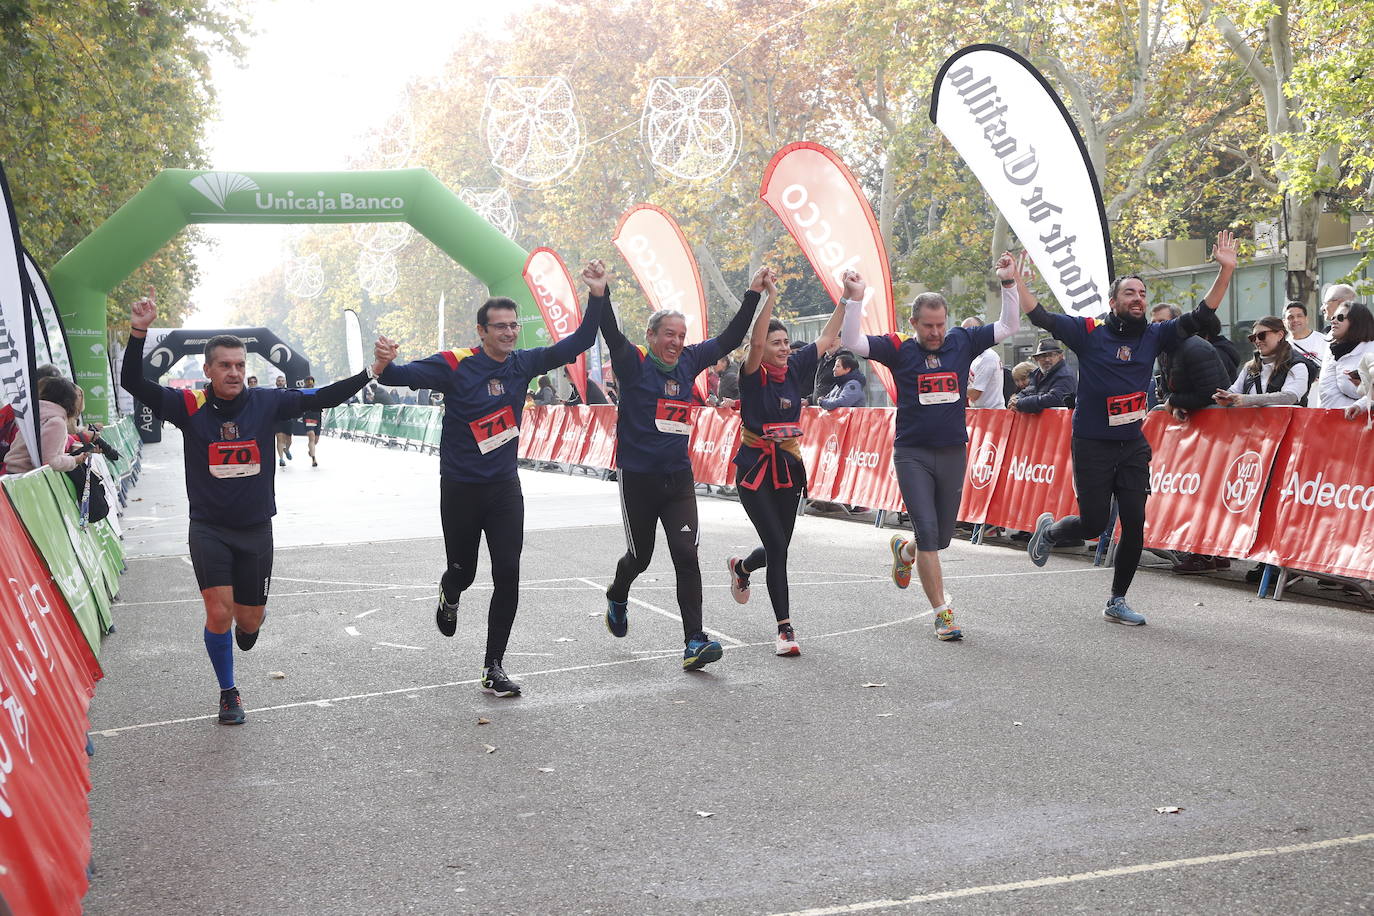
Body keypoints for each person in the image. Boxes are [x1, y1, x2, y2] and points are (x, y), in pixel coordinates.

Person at [120, 291, 390, 725]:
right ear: (207, 370)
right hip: (208, 528)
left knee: (248, 619)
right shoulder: (189, 406)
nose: (234, 372)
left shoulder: (266, 401)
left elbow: (323, 396)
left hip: (255, 529)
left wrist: (370, 372)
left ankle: (250, 628)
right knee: (217, 612)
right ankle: (229, 692)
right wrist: (139, 331)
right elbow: (134, 381)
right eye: (224, 365)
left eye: (240, 365)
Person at [373, 263, 606, 698]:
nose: (509, 332)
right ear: (481, 331)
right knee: (464, 570)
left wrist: (596, 296)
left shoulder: (523, 364)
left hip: (503, 490)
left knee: (509, 575)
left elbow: (579, 341)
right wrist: (383, 363)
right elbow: (395, 376)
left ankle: (493, 665)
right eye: (499, 327)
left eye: (514, 326)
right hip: (461, 488)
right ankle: (450, 589)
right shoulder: (455, 365)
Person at [1026, 231, 1238, 625]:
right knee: (1092, 523)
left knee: (1134, 524)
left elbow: (1201, 316)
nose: (1138, 298)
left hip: (1131, 444)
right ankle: (1052, 533)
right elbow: (1040, 315)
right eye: (1130, 294)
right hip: (1091, 442)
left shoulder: (1155, 335)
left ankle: (1116, 600)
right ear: (1114, 302)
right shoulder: (1089, 332)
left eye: (1142, 293)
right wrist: (1014, 283)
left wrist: (1225, 270)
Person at [842, 254, 1022, 641]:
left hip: (953, 450)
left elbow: (1010, 324)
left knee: (939, 537)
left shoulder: (963, 341)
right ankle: (943, 613)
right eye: (928, 326)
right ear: (914, 324)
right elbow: (851, 341)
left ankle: (904, 552)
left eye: (941, 325)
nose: (936, 333)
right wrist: (854, 299)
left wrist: (1009, 283)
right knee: (927, 530)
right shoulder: (899, 349)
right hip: (912, 453)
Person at [600, 266, 763, 670]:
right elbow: (610, 332)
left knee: (686, 555)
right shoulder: (634, 363)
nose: (675, 342)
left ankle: (694, 641)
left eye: (681, 336)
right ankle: (618, 594)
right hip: (637, 478)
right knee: (640, 557)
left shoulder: (690, 361)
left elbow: (730, 338)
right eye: (668, 335)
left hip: (678, 478)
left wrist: (752, 295)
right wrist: (600, 293)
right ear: (652, 336)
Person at [725, 275, 843, 656]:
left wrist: (847, 298)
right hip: (754, 468)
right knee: (777, 545)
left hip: (789, 467)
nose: (782, 348)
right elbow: (756, 341)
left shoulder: (796, 367)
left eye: (786, 343)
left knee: (779, 547)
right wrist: (769, 298)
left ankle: (743, 567)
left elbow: (826, 338)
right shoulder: (752, 375)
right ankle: (785, 630)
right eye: (776, 343)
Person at [1214, 317, 1315, 408]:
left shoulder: (1297, 364)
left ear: (1280, 335)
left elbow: (1290, 397)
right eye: (1253, 338)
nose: (1257, 341)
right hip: (1254, 426)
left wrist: (1248, 400)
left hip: (1289, 426)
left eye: (1262, 335)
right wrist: (1225, 397)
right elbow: (1235, 391)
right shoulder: (1250, 367)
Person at [1, 376, 88, 475]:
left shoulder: (35, 415)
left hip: (11, 473)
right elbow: (49, 462)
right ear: (70, 400)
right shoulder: (56, 422)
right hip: (27, 477)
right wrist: (74, 460)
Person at [1319, 302, 1374, 414]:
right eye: (1333, 317)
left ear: (1357, 322)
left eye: (1340, 318)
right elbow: (1328, 394)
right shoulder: (1335, 349)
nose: (1333, 321)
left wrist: (1360, 404)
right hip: (1337, 421)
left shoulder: (1371, 349)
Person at [1009, 339, 1075, 412]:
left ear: (1060, 357)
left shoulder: (1065, 374)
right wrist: (1015, 400)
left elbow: (1056, 399)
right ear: (1036, 359)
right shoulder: (1037, 374)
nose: (1047, 359)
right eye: (1043, 356)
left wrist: (1021, 403)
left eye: (1051, 355)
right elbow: (1027, 392)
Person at [961, 316, 1004, 408]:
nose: (966, 335)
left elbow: (975, 394)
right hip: (980, 413)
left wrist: (953, 388)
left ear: (980, 332)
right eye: (963, 332)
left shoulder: (987, 357)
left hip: (992, 415)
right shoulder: (974, 356)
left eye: (970, 331)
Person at [300, 375, 322, 467]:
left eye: (311, 381)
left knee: (316, 440)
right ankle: (314, 459)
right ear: (305, 383)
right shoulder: (302, 392)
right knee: (311, 437)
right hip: (308, 416)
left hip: (317, 416)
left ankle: (311, 450)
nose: (310, 383)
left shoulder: (318, 391)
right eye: (308, 381)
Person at [272, 376, 293, 467]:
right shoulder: (272, 393)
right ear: (276, 383)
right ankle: (281, 459)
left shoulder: (289, 392)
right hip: (277, 419)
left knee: (289, 440)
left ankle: (286, 450)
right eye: (279, 381)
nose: (280, 383)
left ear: (285, 382)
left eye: (282, 381)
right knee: (279, 438)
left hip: (288, 418)